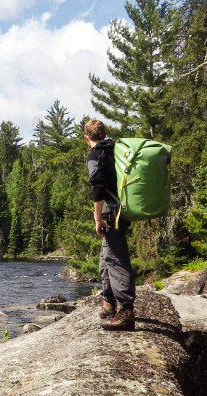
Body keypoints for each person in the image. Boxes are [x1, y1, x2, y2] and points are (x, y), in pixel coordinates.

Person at [85, 119, 135, 330]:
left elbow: (98, 188)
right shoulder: (116, 150)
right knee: (106, 257)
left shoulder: (96, 154)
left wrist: (97, 218)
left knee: (115, 258)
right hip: (121, 209)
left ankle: (126, 312)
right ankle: (109, 303)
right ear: (104, 134)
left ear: (86, 138)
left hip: (111, 212)